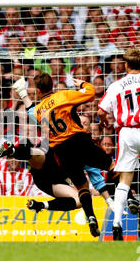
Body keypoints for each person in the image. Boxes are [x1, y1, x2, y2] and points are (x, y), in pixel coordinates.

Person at [11, 74, 116, 237]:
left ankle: (85, 216)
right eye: (83, 122)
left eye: (86, 123)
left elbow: (33, 112)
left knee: (79, 197)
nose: (83, 124)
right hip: (54, 161)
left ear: (38, 91)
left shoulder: (39, 111)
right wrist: (83, 85)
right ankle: (128, 197)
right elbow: (90, 93)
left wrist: (23, 94)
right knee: (110, 167)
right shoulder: (63, 98)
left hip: (58, 163)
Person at [98, 47, 140, 241]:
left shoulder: (116, 85)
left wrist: (104, 121)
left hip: (126, 132)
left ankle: (117, 222)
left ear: (125, 65)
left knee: (124, 180)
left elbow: (101, 110)